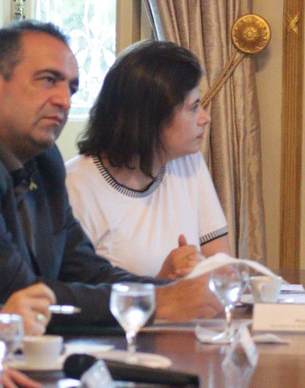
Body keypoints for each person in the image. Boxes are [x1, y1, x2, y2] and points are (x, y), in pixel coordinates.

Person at [0, 20, 221, 325]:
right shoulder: (71, 174)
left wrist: (180, 292)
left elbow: (89, 271)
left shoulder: (45, 163)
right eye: (49, 80)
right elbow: (20, 293)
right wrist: (158, 303)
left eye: (71, 88)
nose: (64, 100)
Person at [65, 41, 230, 278]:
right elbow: (80, 299)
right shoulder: (75, 186)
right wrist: (163, 283)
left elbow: (222, 268)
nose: (205, 118)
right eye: (194, 107)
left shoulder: (188, 161)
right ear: (150, 117)